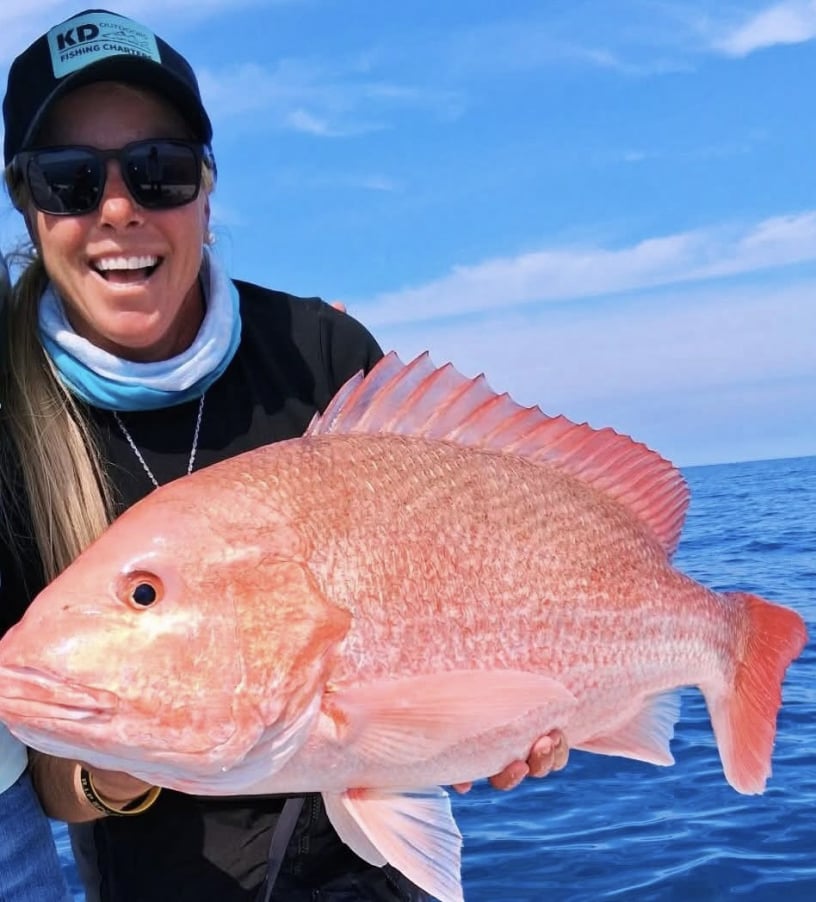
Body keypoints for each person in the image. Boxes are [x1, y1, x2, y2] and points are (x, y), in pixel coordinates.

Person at [0, 9, 568, 901]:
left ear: (208, 189)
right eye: (69, 181)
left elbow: (456, 578)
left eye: (161, 171)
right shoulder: (8, 420)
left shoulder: (322, 351)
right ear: (26, 204)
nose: (118, 210)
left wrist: (500, 718)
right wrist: (115, 762)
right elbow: (46, 780)